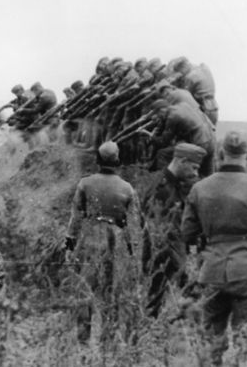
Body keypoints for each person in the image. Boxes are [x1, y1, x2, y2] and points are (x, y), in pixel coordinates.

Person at [181, 131, 247, 367]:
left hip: (212, 271)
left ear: (222, 153)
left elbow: (187, 233)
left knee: (210, 341)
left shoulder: (200, 188)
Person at [64, 141, 140, 343]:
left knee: (84, 289)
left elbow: (76, 215)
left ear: (97, 161)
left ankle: (82, 342)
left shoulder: (85, 183)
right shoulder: (128, 188)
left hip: (89, 236)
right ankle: (107, 342)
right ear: (117, 161)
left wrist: (70, 242)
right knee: (111, 290)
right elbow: (133, 224)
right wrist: (132, 251)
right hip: (115, 240)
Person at [141, 142, 206, 317]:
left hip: (169, 253)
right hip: (162, 254)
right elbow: (159, 228)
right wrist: (180, 263)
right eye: (193, 167)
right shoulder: (161, 187)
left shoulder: (173, 184)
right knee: (155, 298)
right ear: (182, 161)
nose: (195, 173)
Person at [150, 98, 216, 177]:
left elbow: (163, 142)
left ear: (161, 110)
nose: (157, 116)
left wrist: (152, 136)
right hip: (211, 140)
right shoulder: (183, 105)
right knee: (208, 174)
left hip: (200, 144)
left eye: (157, 114)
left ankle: (164, 180)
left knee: (162, 154)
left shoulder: (172, 117)